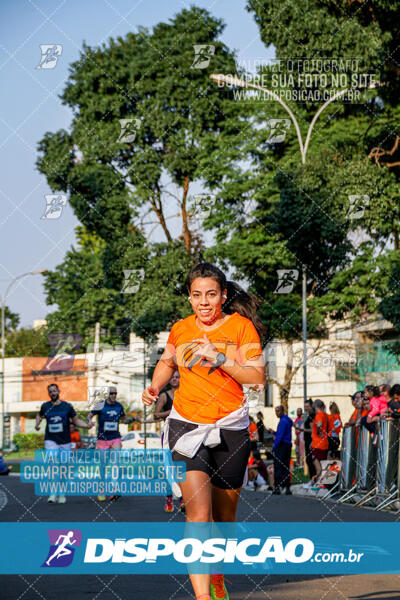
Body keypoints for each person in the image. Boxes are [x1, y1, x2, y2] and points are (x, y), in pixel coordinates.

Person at [142, 261, 265, 600]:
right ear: (190, 299)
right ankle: (202, 597)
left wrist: (221, 359)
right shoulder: (181, 329)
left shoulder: (241, 329)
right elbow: (167, 362)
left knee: (224, 520)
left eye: (211, 294)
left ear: (223, 296)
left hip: (230, 428)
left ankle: (217, 576)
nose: (204, 302)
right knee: (198, 513)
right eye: (197, 295)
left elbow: (256, 377)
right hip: (186, 426)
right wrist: (154, 387)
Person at [35, 383, 93, 503]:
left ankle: (61, 493)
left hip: (65, 441)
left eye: (54, 391)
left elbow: (76, 420)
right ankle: (52, 493)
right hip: (51, 439)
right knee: (53, 466)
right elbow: (39, 415)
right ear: (49, 393)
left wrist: (86, 426)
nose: (52, 393)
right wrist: (37, 423)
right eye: (50, 391)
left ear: (58, 391)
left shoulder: (67, 406)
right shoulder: (45, 406)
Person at [87, 386, 133, 502]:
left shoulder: (119, 406)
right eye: (111, 393)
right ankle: (101, 490)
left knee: (116, 464)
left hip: (115, 437)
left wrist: (133, 419)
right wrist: (89, 421)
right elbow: (90, 415)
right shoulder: (100, 405)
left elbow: (124, 420)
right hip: (103, 439)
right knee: (103, 465)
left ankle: (114, 490)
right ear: (107, 394)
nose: (113, 395)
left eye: (115, 393)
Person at [154, 370, 184, 513]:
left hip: (185, 434)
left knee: (183, 466)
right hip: (168, 434)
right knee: (170, 467)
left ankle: (183, 499)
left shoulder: (187, 395)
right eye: (172, 377)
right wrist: (171, 411)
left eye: (177, 377)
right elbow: (156, 415)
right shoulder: (165, 396)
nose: (174, 379)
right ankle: (169, 497)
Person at [268, 405, 293, 495]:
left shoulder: (282, 421)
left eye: (278, 411)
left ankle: (277, 487)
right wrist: (274, 432)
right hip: (288, 445)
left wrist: (274, 447)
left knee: (278, 465)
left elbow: (279, 436)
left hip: (281, 446)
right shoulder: (287, 420)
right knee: (286, 466)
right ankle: (287, 487)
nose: (276, 413)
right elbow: (282, 433)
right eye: (276, 411)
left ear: (282, 411)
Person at [311, 399, 329, 482]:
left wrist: (318, 432)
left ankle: (318, 483)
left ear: (315, 406)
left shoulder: (318, 415)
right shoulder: (325, 415)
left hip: (317, 444)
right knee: (323, 465)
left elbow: (319, 424)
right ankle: (323, 483)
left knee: (318, 467)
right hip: (324, 443)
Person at [300, 399, 315, 483]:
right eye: (305, 407)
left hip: (311, 441)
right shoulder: (309, 416)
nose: (306, 408)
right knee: (308, 460)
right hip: (308, 441)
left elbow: (312, 430)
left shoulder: (312, 416)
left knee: (310, 460)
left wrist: (302, 429)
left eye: (308, 406)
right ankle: (312, 479)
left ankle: (313, 479)